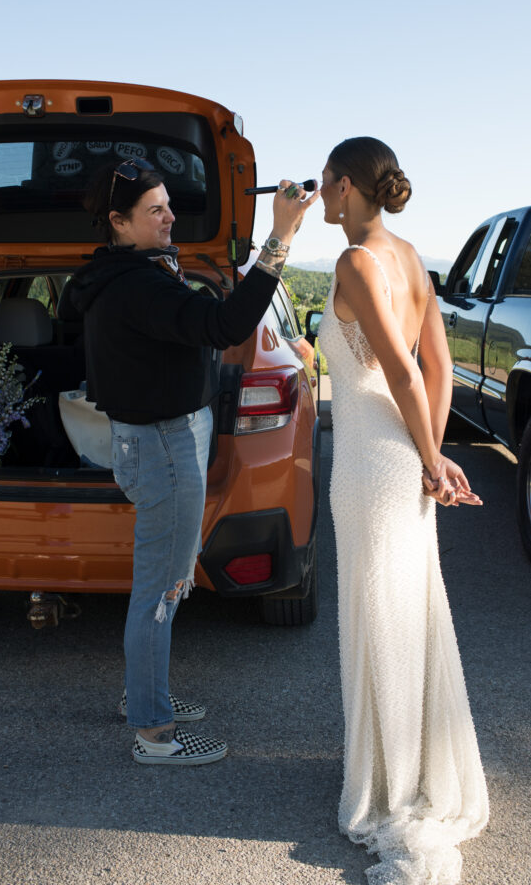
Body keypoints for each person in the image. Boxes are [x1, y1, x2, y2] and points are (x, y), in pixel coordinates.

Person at [61, 157, 317, 766]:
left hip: (152, 442)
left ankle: (143, 695)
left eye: (169, 203)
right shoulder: (139, 285)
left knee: (161, 582)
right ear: (119, 222)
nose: (171, 216)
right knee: (163, 587)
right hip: (165, 447)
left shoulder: (123, 272)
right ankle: (154, 733)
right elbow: (225, 325)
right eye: (156, 210)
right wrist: (279, 239)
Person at [317, 138, 489, 884]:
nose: (319, 193)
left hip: (371, 463)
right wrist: (432, 453)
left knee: (381, 617)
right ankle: (409, 767)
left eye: (325, 182)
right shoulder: (413, 256)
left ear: (347, 184)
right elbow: (437, 369)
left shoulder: (356, 263)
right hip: (401, 460)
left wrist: (429, 458)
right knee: (407, 612)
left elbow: (400, 368)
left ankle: (390, 787)